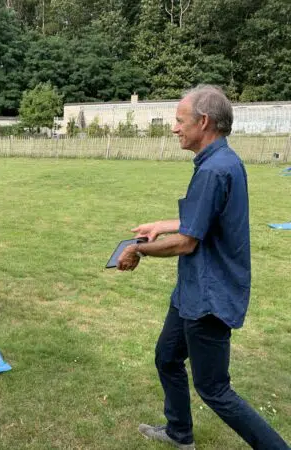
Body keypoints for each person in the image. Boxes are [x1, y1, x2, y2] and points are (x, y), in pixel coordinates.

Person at [117, 85, 290, 450]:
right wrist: (162, 225)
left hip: (210, 296)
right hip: (192, 290)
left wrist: (138, 250)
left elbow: (187, 242)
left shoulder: (214, 170)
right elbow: (201, 219)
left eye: (180, 121)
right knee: (167, 357)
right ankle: (179, 433)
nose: (174, 128)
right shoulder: (222, 161)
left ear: (204, 121)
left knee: (214, 389)